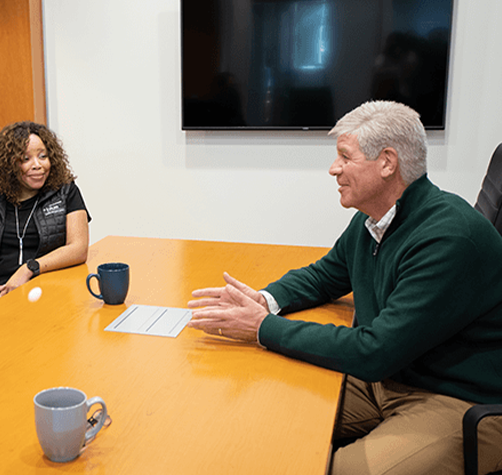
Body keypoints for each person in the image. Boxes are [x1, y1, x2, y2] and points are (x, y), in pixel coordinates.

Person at [187, 101, 502, 475]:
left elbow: (374, 351)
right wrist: (266, 301)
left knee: (335, 469)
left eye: (344, 157)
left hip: (456, 399)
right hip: (393, 375)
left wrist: (261, 327)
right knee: (266, 410)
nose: (333, 168)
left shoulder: (449, 238)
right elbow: (325, 275)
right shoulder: (375, 220)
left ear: (387, 163)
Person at [0, 121, 90, 319]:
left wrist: (29, 269)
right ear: (9, 164)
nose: (38, 165)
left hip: (44, 291)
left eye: (43, 156)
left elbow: (78, 248)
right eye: (25, 159)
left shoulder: (65, 192)